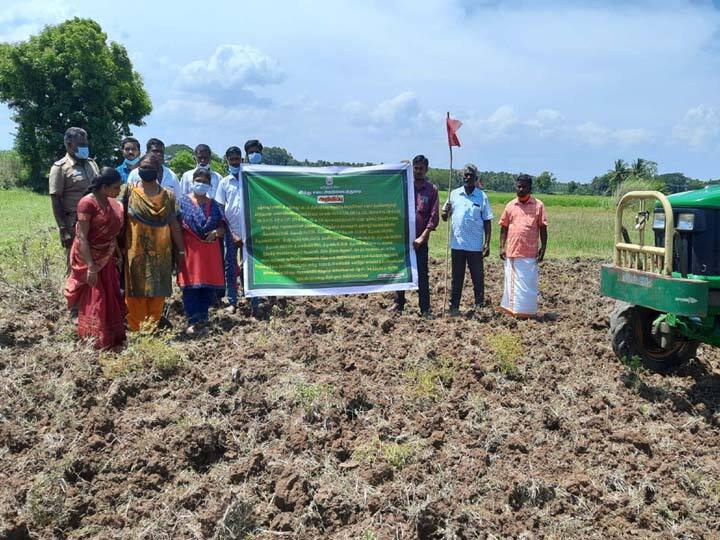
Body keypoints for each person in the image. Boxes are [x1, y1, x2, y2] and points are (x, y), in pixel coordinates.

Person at [64, 167, 126, 350]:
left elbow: (113, 234)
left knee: (109, 295)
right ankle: (94, 339)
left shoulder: (113, 203)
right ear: (104, 187)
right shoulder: (87, 203)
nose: (119, 191)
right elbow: (82, 236)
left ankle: (112, 334)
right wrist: (91, 266)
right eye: (116, 187)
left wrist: (117, 254)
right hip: (88, 256)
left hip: (107, 256)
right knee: (95, 297)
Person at [122, 153, 185, 331]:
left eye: (151, 168)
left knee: (158, 293)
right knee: (135, 293)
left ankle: (151, 328)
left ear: (159, 171)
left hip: (162, 253)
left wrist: (181, 251)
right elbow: (121, 222)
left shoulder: (169, 196)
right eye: (143, 168)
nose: (147, 171)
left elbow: (174, 225)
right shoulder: (129, 192)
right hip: (135, 250)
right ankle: (138, 330)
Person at [177, 169, 227, 334]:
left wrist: (216, 233)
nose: (201, 184)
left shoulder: (214, 205)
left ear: (210, 185)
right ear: (192, 181)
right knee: (190, 287)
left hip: (209, 251)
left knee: (207, 287)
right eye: (198, 180)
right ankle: (192, 321)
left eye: (205, 182)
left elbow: (223, 227)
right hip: (190, 251)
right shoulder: (182, 203)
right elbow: (175, 227)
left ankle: (203, 320)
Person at [441, 164, 492, 314]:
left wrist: (487, 243)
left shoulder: (482, 197)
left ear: (476, 179)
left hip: (475, 246)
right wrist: (446, 211)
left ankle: (479, 305)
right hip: (457, 244)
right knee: (457, 278)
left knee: (478, 277)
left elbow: (487, 221)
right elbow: (444, 217)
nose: (467, 177)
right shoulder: (454, 194)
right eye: (465, 175)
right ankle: (454, 306)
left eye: (470, 175)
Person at [49, 127, 99, 274]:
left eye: (86, 144)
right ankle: (74, 295)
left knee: (94, 262)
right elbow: (55, 199)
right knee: (75, 264)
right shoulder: (60, 168)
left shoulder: (91, 164)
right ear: (70, 144)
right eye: (81, 145)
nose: (85, 148)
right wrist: (63, 230)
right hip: (73, 223)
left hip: (95, 221)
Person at [393, 155, 439, 317]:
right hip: (403, 239)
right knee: (401, 271)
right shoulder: (405, 185)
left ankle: (425, 308)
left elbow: (433, 218)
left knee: (422, 274)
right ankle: (399, 304)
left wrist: (422, 238)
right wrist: (400, 168)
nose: (418, 171)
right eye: (415, 168)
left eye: (421, 168)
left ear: (426, 170)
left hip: (420, 241)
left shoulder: (431, 190)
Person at [499, 173, 548, 318]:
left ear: (530, 188)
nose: (520, 189)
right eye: (518, 186)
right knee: (511, 284)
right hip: (513, 252)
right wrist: (502, 246)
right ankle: (512, 311)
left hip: (530, 253)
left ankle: (527, 312)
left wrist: (543, 248)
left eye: (524, 187)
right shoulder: (510, 205)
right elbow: (504, 227)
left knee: (528, 285)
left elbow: (543, 228)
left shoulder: (538, 205)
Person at [214, 146, 245, 313]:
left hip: (249, 232)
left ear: (242, 160)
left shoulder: (250, 179)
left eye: (237, 159)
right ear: (227, 160)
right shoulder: (224, 183)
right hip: (231, 232)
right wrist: (231, 233)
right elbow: (220, 209)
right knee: (230, 266)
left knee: (249, 267)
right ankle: (232, 301)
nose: (235, 162)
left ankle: (252, 299)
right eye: (231, 159)